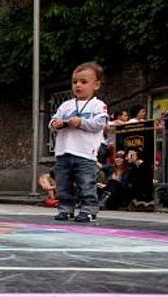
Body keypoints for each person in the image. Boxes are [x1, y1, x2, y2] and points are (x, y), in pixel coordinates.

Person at [49, 62, 108, 222]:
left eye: (83, 82)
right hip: (63, 152)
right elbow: (52, 122)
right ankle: (65, 209)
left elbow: (99, 124)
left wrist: (81, 123)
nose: (78, 85)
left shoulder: (98, 105)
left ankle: (88, 210)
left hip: (85, 153)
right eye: (75, 82)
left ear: (96, 85)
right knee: (63, 183)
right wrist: (56, 124)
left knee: (86, 183)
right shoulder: (66, 105)